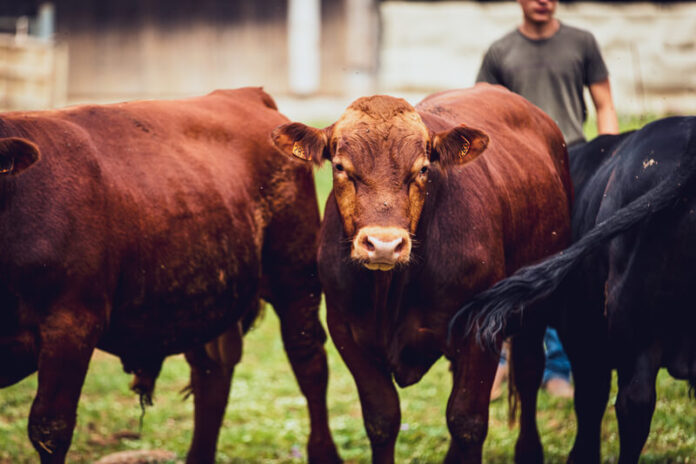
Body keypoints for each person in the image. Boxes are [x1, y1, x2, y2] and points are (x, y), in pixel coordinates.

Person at [477, 0, 619, 399]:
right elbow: (483, 112)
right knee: (507, 264)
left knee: (562, 265)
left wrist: (608, 153)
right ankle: (501, 362)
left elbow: (604, 105)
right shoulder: (500, 51)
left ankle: (556, 367)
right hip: (520, 169)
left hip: (571, 162)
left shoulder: (582, 42)